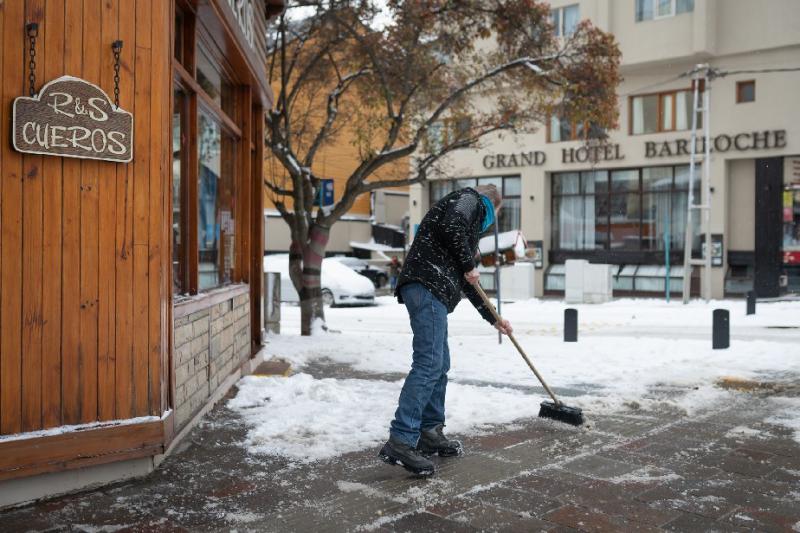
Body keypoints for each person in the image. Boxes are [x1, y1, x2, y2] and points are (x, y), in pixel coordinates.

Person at [378, 184, 513, 476]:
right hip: (427, 284)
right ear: (494, 205)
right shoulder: (469, 200)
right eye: (496, 215)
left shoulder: (466, 234)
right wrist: (467, 262)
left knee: (439, 364)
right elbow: (453, 226)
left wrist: (494, 318)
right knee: (428, 363)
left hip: (432, 289)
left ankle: (429, 431)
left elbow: (469, 282)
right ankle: (402, 439)